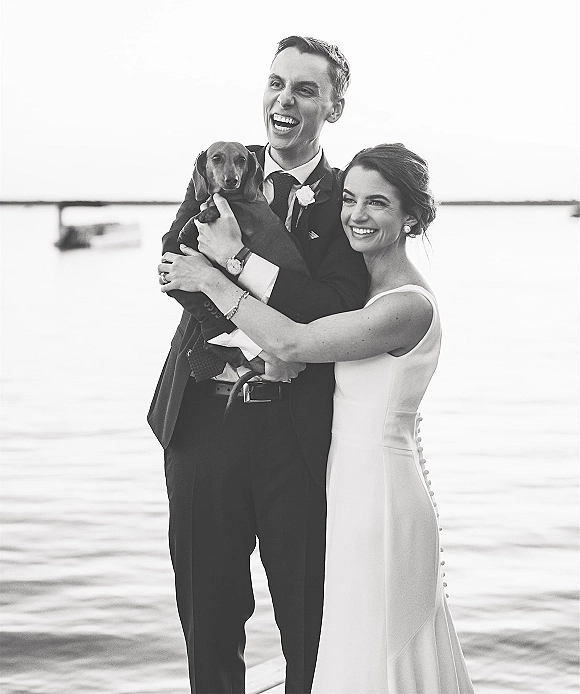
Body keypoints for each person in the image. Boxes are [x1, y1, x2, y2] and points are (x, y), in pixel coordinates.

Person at [159, 143, 476, 694]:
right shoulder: (234, 171)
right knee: (343, 638)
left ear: (411, 217)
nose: (354, 214)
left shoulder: (406, 305)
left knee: (354, 637)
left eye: (377, 203)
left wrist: (219, 273)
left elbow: (297, 339)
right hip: (326, 470)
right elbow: (177, 261)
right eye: (350, 200)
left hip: (368, 488)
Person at [149, 36, 368, 693]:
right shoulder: (220, 165)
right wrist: (254, 317)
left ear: (333, 106)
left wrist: (232, 265)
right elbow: (173, 266)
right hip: (202, 424)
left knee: (309, 623)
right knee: (208, 620)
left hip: (299, 434)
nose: (285, 99)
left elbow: (335, 306)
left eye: (305, 89)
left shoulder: (351, 196)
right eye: (276, 83)